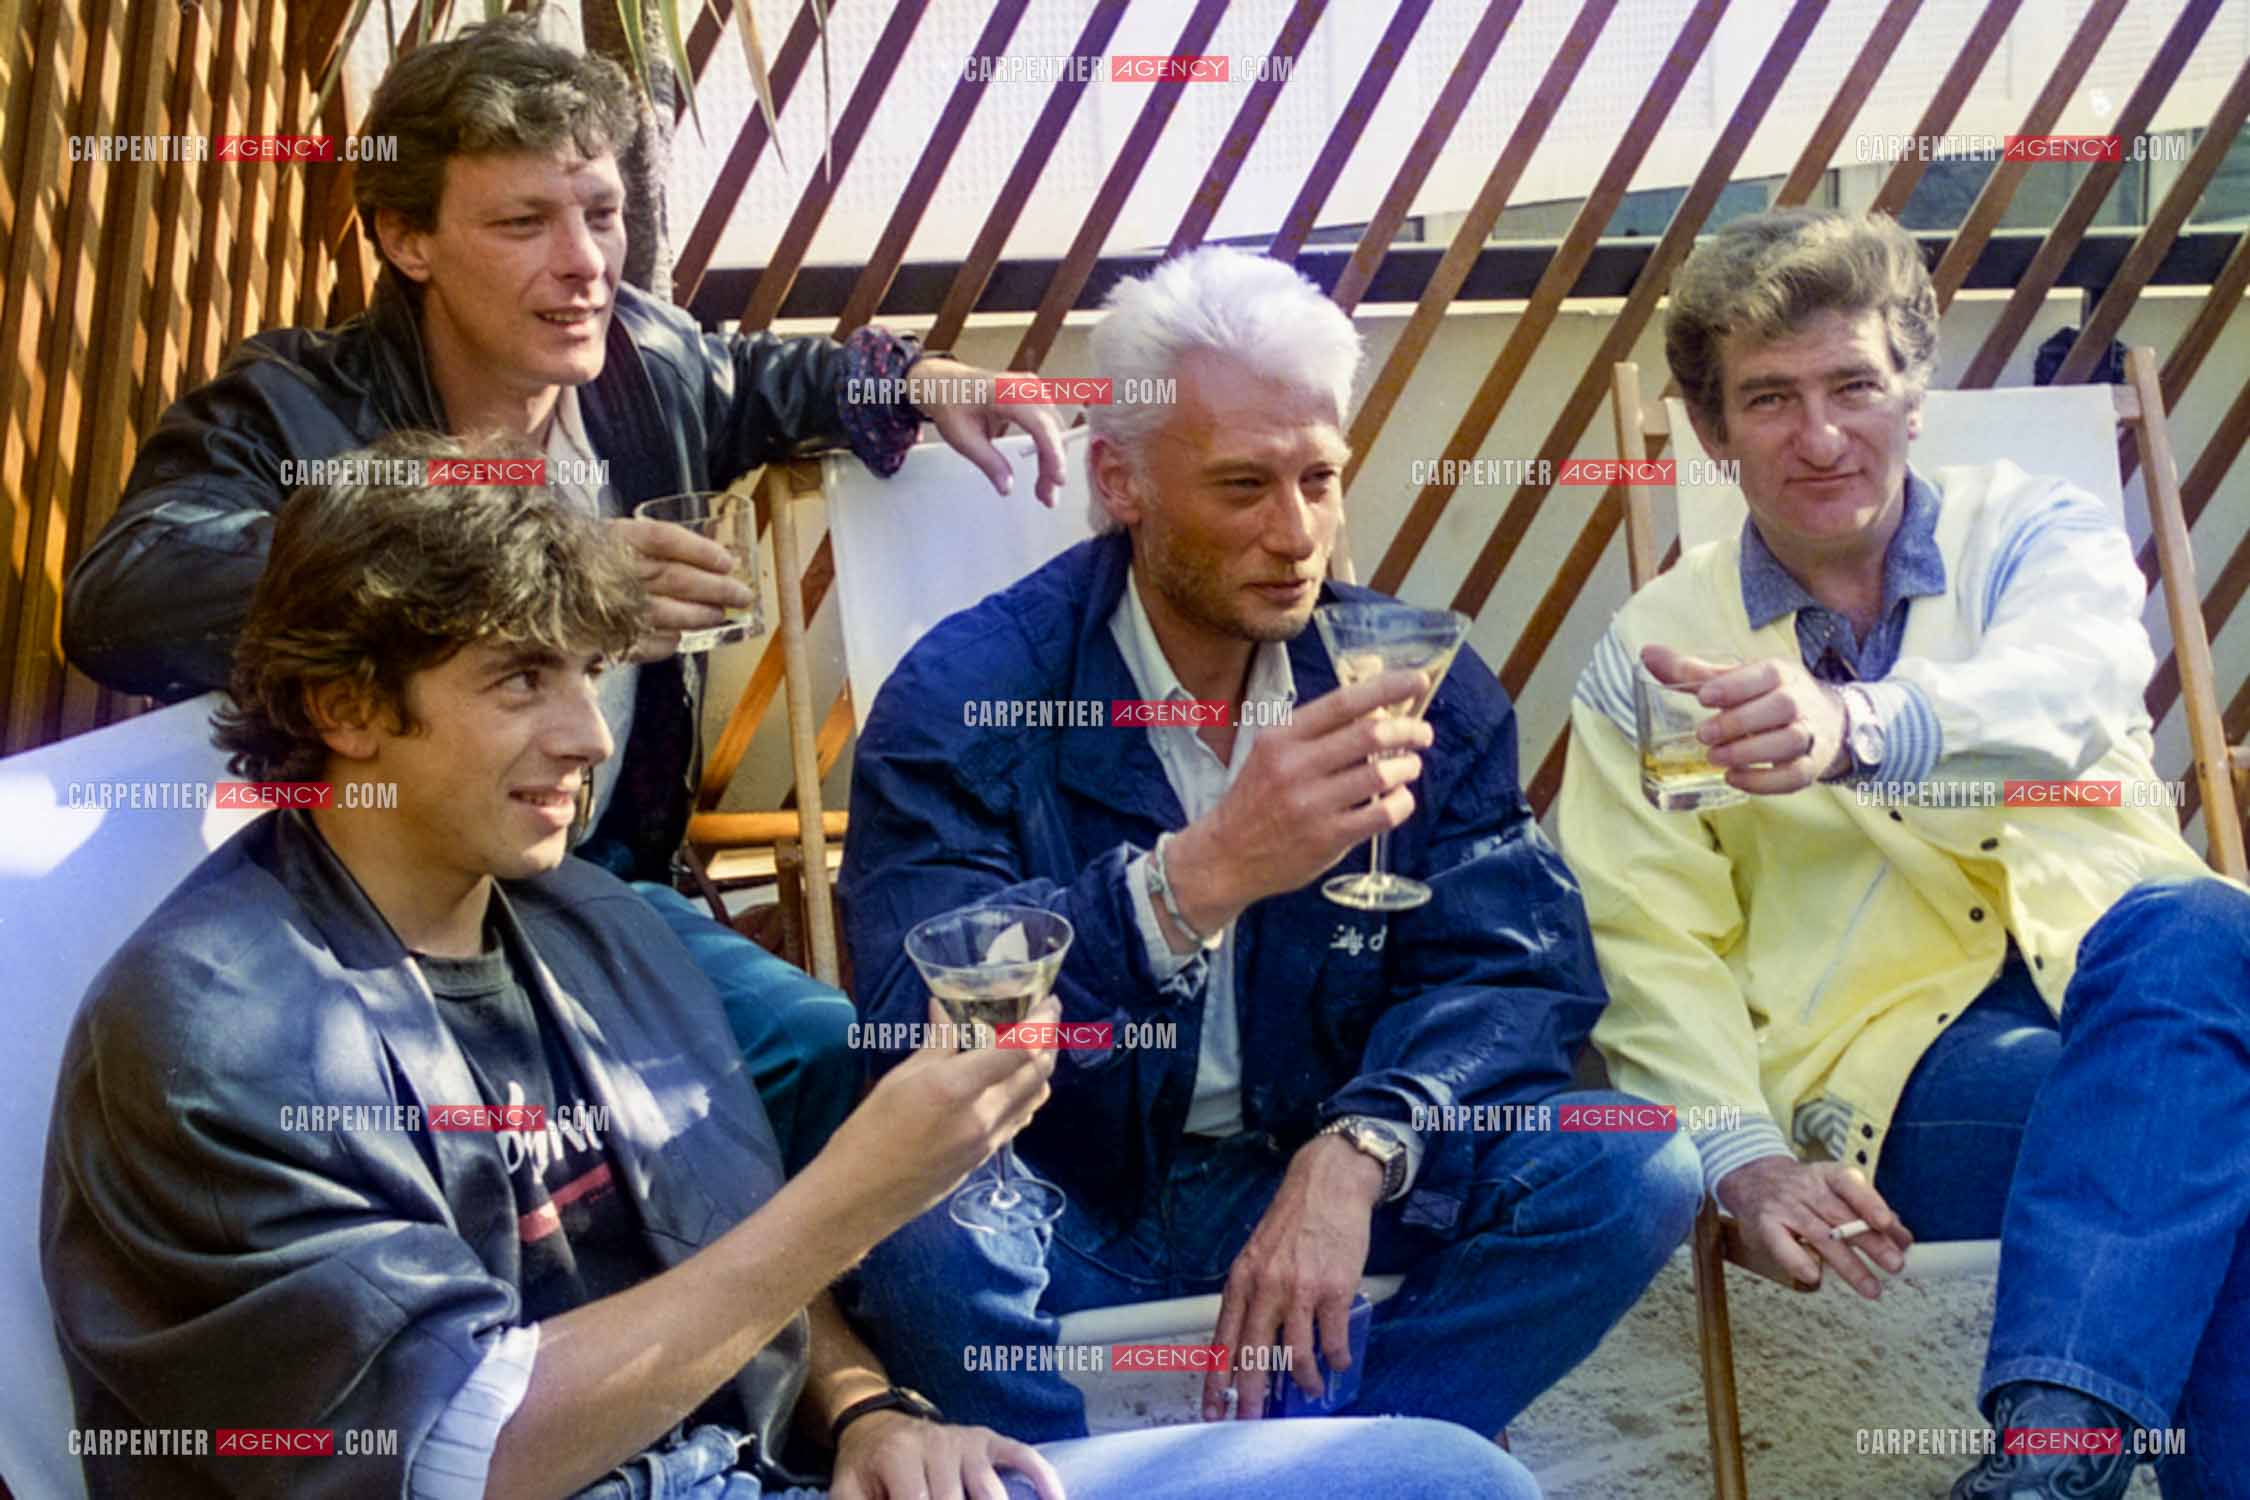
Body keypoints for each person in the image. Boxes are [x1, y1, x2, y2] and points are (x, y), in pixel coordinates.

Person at [39, 430, 1540, 1500]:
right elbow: (458, 1452)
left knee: (1441, 1476)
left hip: (765, 1474)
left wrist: (865, 1410)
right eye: (518, 681)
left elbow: (704, 1233)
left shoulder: (589, 927)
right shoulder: (223, 1034)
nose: (585, 735)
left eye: (588, 674)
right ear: (348, 707)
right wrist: (862, 1192)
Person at [60, 12, 1063, 1175]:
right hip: (386, 906)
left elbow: (761, 376)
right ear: (407, 238)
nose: (585, 262)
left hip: (606, 889)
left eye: (601, 212)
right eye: (523, 222)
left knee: (848, 1067)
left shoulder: (645, 365)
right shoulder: (294, 406)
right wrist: (541, 571)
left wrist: (912, 377)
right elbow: (125, 598)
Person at [837, 245, 1701, 1446]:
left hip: (1317, 1180)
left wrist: (1365, 1144)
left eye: (1320, 478)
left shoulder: (1411, 684)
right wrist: (1195, 879)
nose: (1297, 534)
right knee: (914, 1210)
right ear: (1122, 481)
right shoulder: (965, 695)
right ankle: (1074, 1478)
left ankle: (1350, 1459)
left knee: (1634, 1162)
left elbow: (1517, 972)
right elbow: (914, 1019)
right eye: (1243, 486)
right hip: (1068, 1206)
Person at [1553, 206, 2250, 1500]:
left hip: (2142, 987)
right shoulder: (1653, 656)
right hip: (1888, 1068)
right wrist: (1740, 1156)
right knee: (2209, 1124)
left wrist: (1858, 726)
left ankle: (2048, 1464)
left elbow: (2072, 683)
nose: (1820, 437)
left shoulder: (2035, 533)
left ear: (1915, 394)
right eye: (1769, 400)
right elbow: (1648, 939)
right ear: (1709, 433)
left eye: (1853, 386)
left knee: (2200, 934)